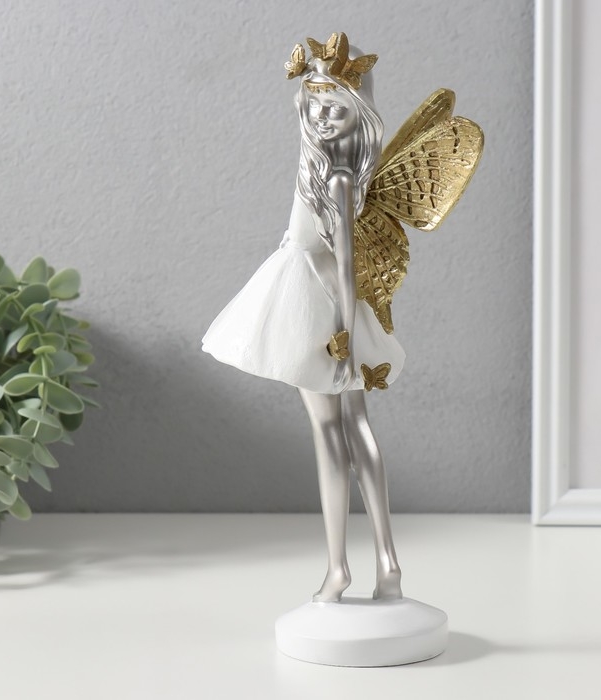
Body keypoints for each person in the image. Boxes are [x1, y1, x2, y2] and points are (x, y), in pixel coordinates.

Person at [203, 33, 404, 602]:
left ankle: (344, 570)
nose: (321, 117)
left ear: (360, 115)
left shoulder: (336, 179)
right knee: (352, 427)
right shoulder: (320, 164)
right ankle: (381, 565)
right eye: (315, 103)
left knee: (333, 430)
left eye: (336, 109)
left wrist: (344, 335)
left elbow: (346, 264)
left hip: (320, 306)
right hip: (320, 299)